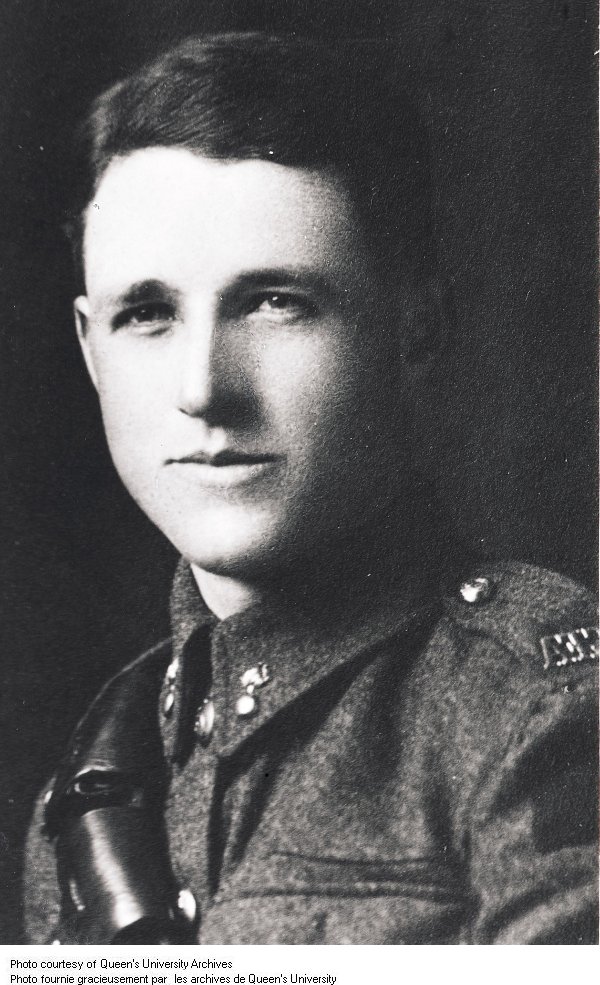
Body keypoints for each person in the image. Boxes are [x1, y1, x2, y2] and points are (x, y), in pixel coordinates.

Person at [23, 33, 598, 945]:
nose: (203, 389)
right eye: (148, 314)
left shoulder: (535, 711)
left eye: (275, 302)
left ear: (416, 328)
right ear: (91, 352)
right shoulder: (101, 773)